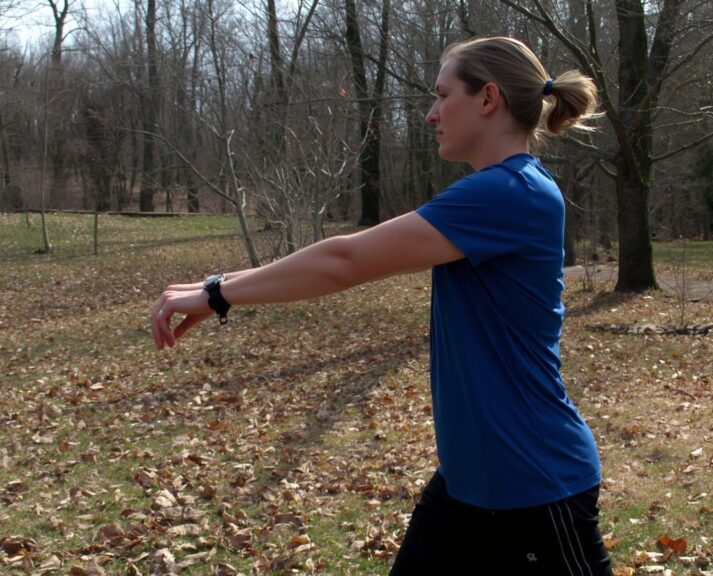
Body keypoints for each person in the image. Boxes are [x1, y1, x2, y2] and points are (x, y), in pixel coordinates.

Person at [151, 36, 612, 576]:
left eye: (442, 95)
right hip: (471, 481)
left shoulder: (510, 193)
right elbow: (344, 256)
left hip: (533, 484)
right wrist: (220, 286)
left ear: (488, 99)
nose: (430, 113)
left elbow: (346, 260)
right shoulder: (500, 192)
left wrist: (216, 293)